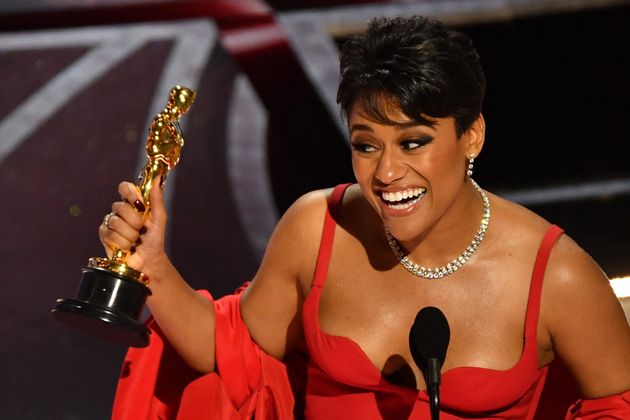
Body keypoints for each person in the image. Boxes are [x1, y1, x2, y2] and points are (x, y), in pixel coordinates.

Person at [101, 15, 630, 419]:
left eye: (414, 142)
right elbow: (232, 358)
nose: (387, 172)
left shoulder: (557, 276)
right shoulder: (318, 227)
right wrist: (154, 265)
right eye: (366, 145)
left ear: (472, 135)